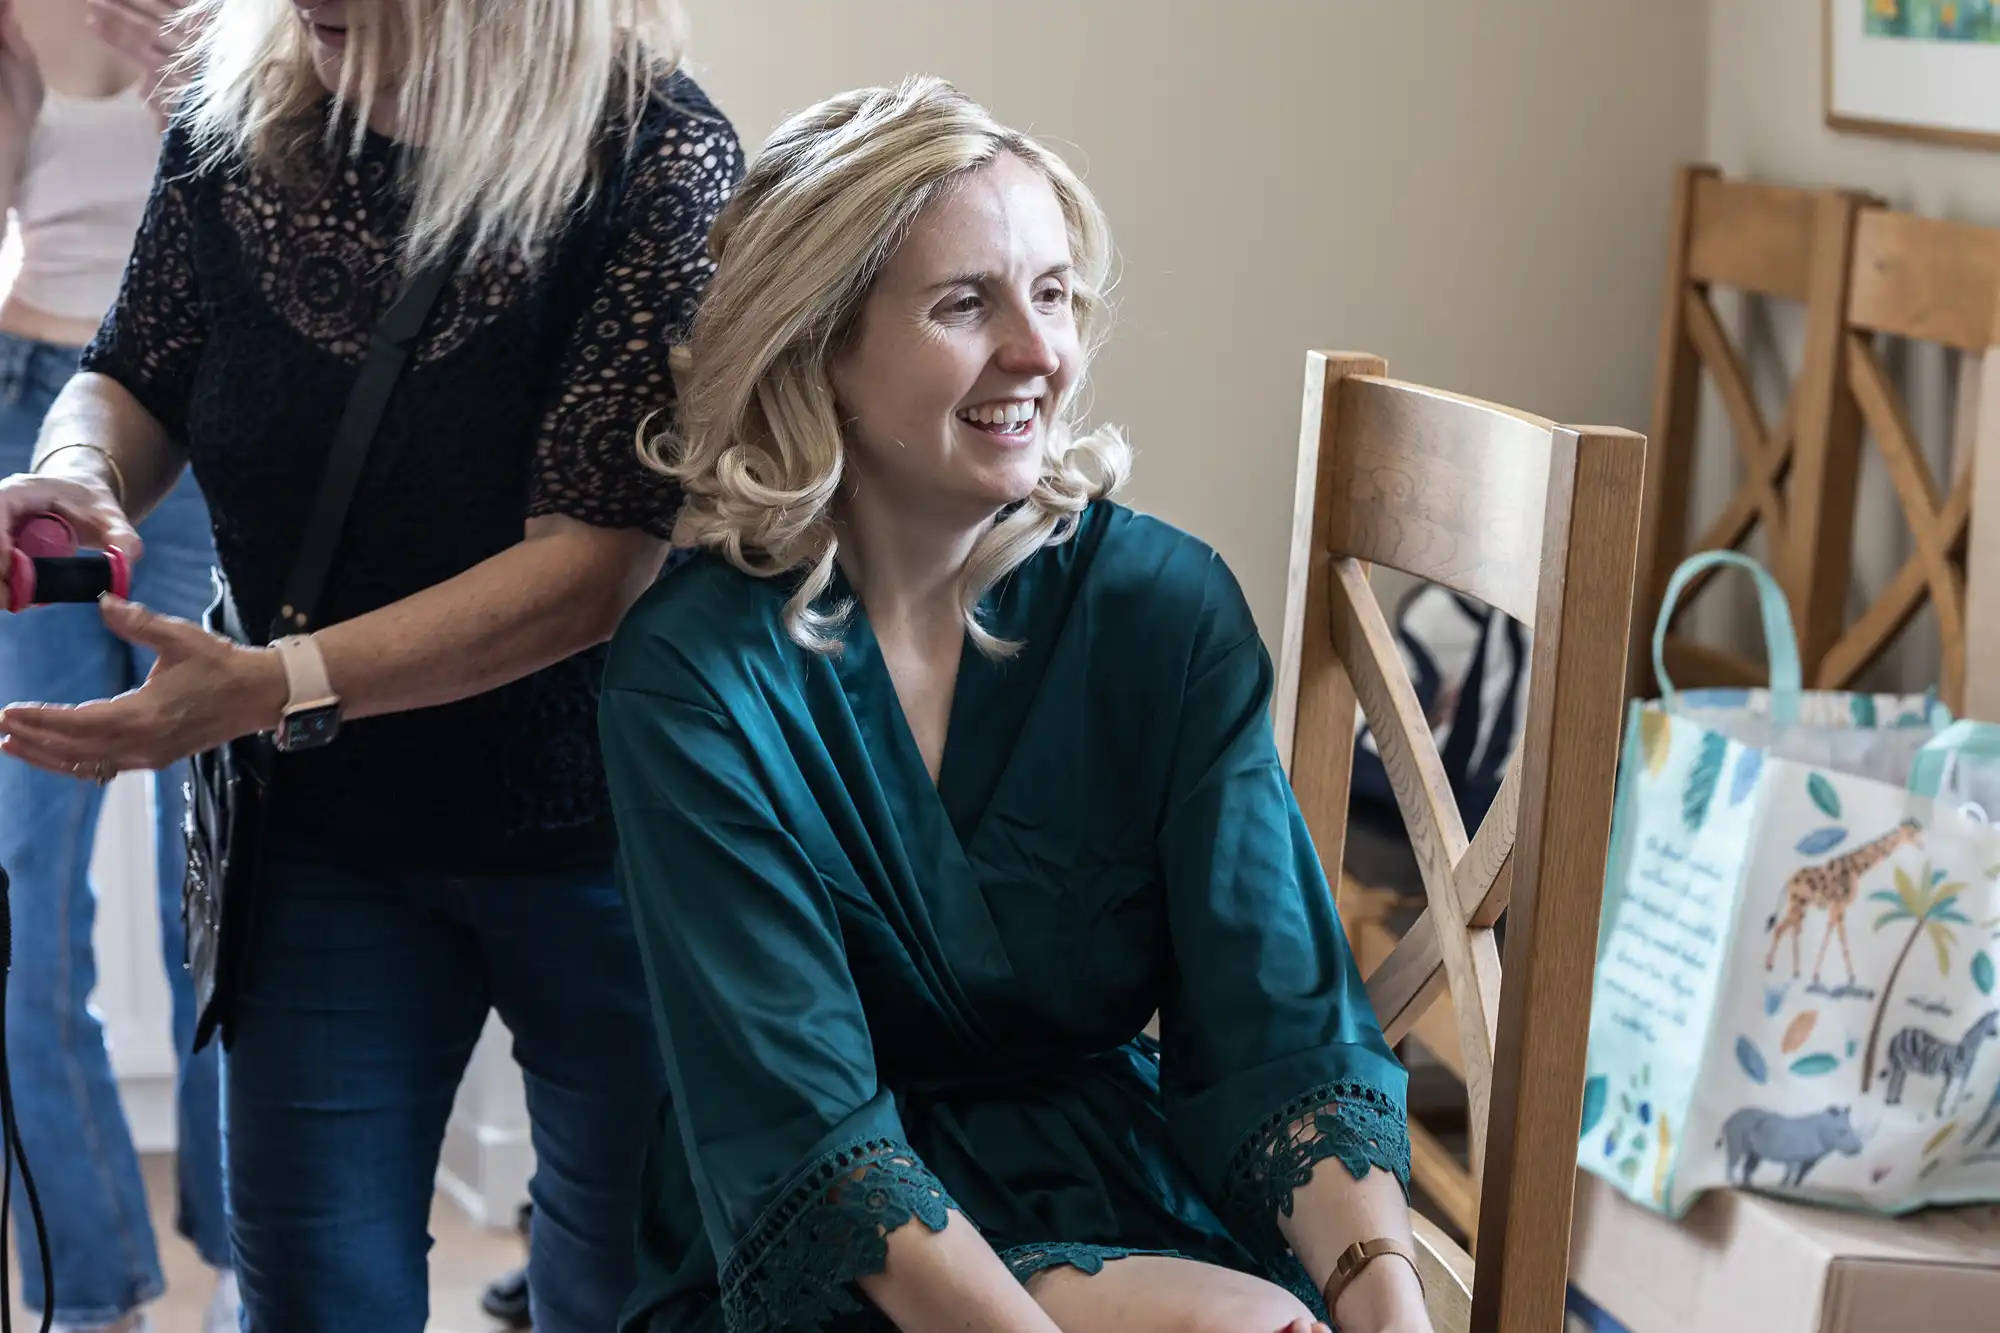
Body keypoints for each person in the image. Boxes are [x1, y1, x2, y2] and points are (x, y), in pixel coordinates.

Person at [600, 77, 1433, 1333]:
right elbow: (806, 1135)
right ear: (817, 343)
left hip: (1110, 1179)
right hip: (827, 1251)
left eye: (1051, 294)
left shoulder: (1162, 608)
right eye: (962, 304)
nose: (1038, 353)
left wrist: (1383, 1298)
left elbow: (1278, 1020)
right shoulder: (694, 676)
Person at [0, 0, 740, 1328]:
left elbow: (598, 559)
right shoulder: (242, 118)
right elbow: (134, 372)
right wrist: (74, 474)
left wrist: (275, 683)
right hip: (328, 828)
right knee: (312, 1296)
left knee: (621, 1292)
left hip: (612, 837)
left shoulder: (657, 152)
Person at [0, 1, 231, 1330]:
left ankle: (249, 1251)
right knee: (25, 899)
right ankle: (90, 1290)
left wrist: (213, 102)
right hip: (27, 404)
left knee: (213, 884)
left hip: (204, 427)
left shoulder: (262, 18)